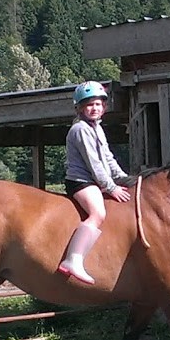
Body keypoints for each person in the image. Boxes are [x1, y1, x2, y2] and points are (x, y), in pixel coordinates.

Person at [57, 81, 131, 285]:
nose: (94, 108)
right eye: (89, 104)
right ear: (79, 108)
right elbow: (95, 164)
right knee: (98, 213)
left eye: (98, 104)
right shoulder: (80, 129)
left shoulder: (97, 128)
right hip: (81, 182)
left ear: (104, 107)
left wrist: (124, 178)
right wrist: (111, 187)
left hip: (93, 180)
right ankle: (73, 260)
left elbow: (108, 158)